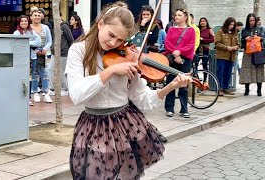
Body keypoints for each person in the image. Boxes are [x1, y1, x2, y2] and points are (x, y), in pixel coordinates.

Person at [65, 2, 192, 179]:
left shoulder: (130, 54)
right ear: (100, 23)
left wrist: (171, 86)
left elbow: (143, 99)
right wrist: (110, 71)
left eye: (120, 40)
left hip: (124, 124)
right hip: (93, 126)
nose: (113, 43)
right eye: (111, 35)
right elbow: (77, 95)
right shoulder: (78, 51)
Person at [164, 8, 196, 118]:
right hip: (173, 58)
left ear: (185, 17)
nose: (176, 17)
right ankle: (169, 108)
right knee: (170, 82)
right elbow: (167, 43)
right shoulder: (171, 29)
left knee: (183, 83)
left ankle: (184, 109)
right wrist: (175, 53)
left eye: (179, 15)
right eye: (176, 15)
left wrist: (180, 52)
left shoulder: (191, 30)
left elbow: (191, 44)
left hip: (185, 59)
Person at [13, 15, 41, 106]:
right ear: (19, 23)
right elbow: (15, 43)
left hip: (31, 59)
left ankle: (28, 98)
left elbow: (39, 42)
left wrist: (26, 42)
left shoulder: (32, 32)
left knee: (29, 78)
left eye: (26, 21)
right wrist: (29, 43)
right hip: (20, 59)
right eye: (22, 21)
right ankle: (18, 96)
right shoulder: (16, 33)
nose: (24, 22)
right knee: (19, 78)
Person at [30, 7, 53, 103]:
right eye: (35, 15)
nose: (37, 17)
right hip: (33, 53)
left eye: (39, 15)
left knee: (45, 73)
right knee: (34, 73)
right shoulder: (29, 28)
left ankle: (46, 93)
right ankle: (35, 93)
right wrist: (35, 50)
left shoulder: (45, 27)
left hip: (44, 53)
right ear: (31, 17)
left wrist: (45, 49)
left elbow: (50, 41)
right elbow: (28, 41)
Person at [239, 13, 265, 96]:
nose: (252, 22)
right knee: (247, 70)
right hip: (248, 53)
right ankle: (247, 89)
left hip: (258, 52)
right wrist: (245, 39)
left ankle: (259, 90)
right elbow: (241, 43)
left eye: (253, 20)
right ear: (248, 21)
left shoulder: (260, 28)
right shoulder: (244, 30)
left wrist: (258, 38)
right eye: (250, 21)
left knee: (259, 70)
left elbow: (263, 39)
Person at [215, 17, 239, 96]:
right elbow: (217, 43)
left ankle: (226, 88)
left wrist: (236, 47)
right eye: (230, 24)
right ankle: (219, 89)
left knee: (228, 73)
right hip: (222, 56)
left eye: (233, 25)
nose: (232, 26)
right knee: (220, 72)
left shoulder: (235, 33)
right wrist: (226, 47)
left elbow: (238, 43)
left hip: (231, 56)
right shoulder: (220, 32)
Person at [197, 17, 215, 85]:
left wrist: (203, 40)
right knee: (195, 64)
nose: (202, 22)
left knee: (204, 64)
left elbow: (212, 40)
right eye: (201, 21)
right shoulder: (198, 29)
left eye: (204, 21)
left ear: (206, 22)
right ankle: (197, 79)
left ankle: (205, 80)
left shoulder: (209, 30)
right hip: (198, 49)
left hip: (205, 49)